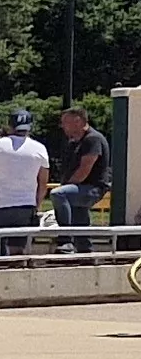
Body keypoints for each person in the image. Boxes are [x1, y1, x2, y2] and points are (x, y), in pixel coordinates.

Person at [0, 111, 49, 254]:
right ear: (29, 127)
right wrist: (36, 205)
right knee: (18, 250)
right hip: (26, 206)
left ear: (9, 126)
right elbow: (43, 183)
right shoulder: (40, 148)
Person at [51, 107, 109, 253]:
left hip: (92, 188)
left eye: (65, 122)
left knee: (58, 194)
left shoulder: (93, 139)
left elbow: (84, 170)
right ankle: (85, 251)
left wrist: (66, 186)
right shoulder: (74, 142)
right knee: (79, 216)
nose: (62, 126)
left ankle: (65, 239)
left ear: (78, 121)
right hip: (80, 187)